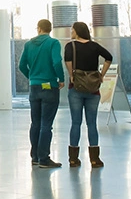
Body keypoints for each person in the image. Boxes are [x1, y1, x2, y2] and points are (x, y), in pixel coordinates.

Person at [64, 21, 113, 168]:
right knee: (92, 123)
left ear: (77, 31)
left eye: (72, 30)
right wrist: (101, 75)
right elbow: (109, 57)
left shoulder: (70, 46)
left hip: (76, 89)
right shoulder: (94, 46)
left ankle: (73, 159)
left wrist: (71, 75)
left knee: (76, 123)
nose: (71, 32)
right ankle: (94, 160)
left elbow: (68, 61)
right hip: (93, 89)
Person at [19, 19, 65, 168]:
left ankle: (35, 156)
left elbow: (21, 65)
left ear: (38, 29)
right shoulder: (53, 43)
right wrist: (61, 79)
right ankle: (44, 158)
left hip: (34, 86)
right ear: (50, 29)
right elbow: (57, 62)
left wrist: (32, 77)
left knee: (35, 123)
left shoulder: (28, 44)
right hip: (49, 86)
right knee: (46, 124)